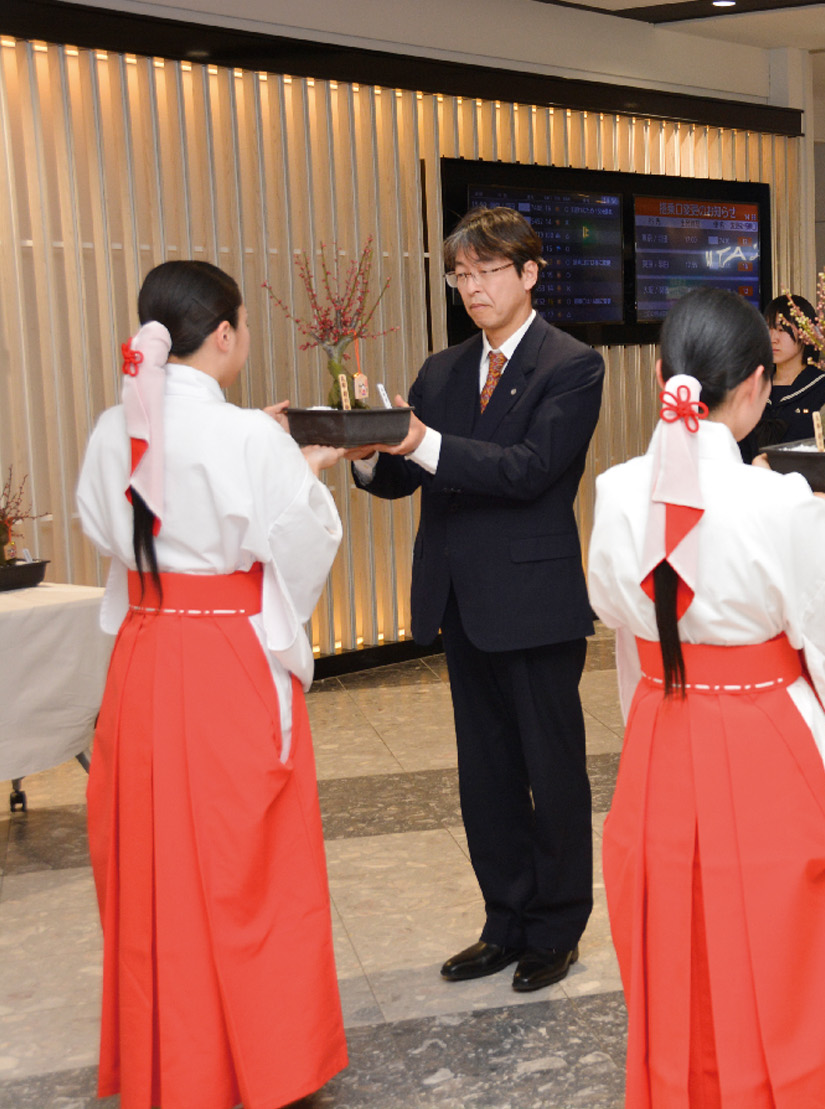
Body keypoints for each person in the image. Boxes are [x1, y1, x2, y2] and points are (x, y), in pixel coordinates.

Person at [587, 288, 825, 1107]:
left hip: (660, 723)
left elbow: (618, 611)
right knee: (785, 944)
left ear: (661, 376)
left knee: (673, 931)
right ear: (754, 384)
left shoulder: (617, 490)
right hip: (760, 729)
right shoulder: (777, 496)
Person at [76, 260, 349, 1107]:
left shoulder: (111, 428)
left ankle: (172, 1054)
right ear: (225, 332)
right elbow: (298, 544)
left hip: (149, 651)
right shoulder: (246, 436)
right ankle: (263, 1058)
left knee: (150, 852)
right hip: (228, 652)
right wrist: (299, 466)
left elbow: (104, 525)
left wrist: (265, 453)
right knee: (249, 856)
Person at [352, 206, 605, 992]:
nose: (472, 287)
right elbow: (401, 475)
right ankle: (503, 920)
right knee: (485, 773)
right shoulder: (441, 368)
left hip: (533, 599)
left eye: (487, 271)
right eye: (460, 274)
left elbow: (529, 469)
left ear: (529, 274)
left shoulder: (573, 364)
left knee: (551, 770)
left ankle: (555, 929)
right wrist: (368, 445)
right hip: (460, 598)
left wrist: (417, 440)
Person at [751, 293, 825, 450]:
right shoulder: (754, 385)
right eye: (768, 328)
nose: (773, 338)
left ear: (806, 333)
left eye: (781, 329)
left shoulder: (822, 388)